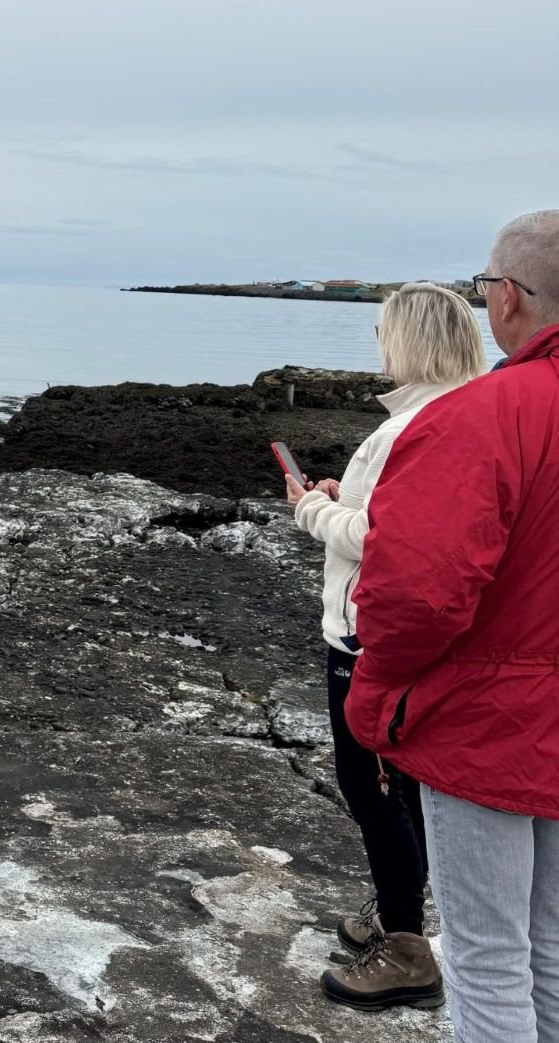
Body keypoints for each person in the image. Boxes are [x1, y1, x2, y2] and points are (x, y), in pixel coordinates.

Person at [345, 210, 559, 1042]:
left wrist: (376, 702)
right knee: (548, 946)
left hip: (487, 724)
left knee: (487, 957)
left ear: (506, 298)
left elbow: (417, 592)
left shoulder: (486, 414)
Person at [286, 283, 485, 1011]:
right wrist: (349, 501)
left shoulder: (411, 427)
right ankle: (396, 907)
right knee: (403, 785)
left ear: (408, 340)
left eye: (383, 331)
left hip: (368, 637)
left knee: (373, 789)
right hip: (426, 638)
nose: (378, 343)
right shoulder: (467, 413)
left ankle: (405, 944)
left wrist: (312, 508)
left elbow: (383, 539)